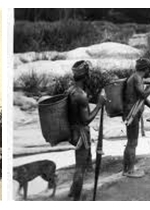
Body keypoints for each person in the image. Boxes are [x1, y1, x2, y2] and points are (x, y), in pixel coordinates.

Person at [66, 60, 104, 201]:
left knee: (82, 164)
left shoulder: (71, 90)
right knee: (80, 168)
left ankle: (72, 191)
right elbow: (86, 119)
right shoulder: (80, 94)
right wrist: (99, 105)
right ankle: (76, 199)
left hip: (73, 132)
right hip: (81, 134)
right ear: (86, 75)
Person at [121, 58, 150, 178]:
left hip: (131, 112)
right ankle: (130, 170)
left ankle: (127, 168)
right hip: (132, 113)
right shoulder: (137, 78)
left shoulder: (135, 77)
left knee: (130, 141)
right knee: (133, 142)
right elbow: (143, 95)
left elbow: (141, 98)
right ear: (146, 69)